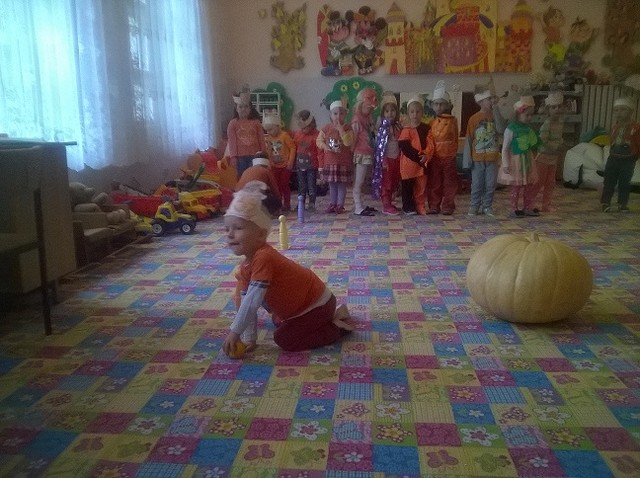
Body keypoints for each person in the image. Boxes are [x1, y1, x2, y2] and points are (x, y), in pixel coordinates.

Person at [222, 181, 354, 356]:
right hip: (301, 308)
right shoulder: (246, 267)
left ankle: (336, 327)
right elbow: (247, 303)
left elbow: (252, 301)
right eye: (227, 229)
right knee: (278, 321)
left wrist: (235, 332)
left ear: (261, 234)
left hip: (317, 305)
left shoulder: (264, 257)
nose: (230, 234)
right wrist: (249, 338)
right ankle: (322, 320)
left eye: (238, 228)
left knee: (284, 339)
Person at [463, 84, 506, 217]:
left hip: (492, 158)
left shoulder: (495, 115)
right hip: (477, 159)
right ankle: (474, 206)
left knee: (490, 184)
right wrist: (467, 161)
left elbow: (501, 129)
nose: (492, 101)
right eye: (489, 99)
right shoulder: (473, 119)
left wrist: (496, 108)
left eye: (493, 98)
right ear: (481, 101)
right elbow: (469, 140)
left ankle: (487, 206)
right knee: (477, 184)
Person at [499, 95, 541, 217]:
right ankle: (514, 208)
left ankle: (528, 206)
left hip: (527, 160)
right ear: (518, 114)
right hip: (516, 161)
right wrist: (506, 164)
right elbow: (505, 148)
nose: (530, 118)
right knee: (516, 186)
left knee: (529, 185)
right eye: (527, 115)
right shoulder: (511, 129)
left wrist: (536, 154)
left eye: (531, 115)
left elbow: (534, 144)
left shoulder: (529, 129)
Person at [600, 97, 640, 213]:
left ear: (630, 112)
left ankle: (622, 203)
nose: (619, 113)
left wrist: (635, 156)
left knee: (624, 182)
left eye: (623, 109)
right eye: (616, 110)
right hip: (613, 158)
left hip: (628, 160)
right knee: (609, 181)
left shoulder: (636, 127)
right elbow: (611, 141)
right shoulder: (614, 128)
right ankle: (605, 203)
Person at [426, 81, 460, 215]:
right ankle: (434, 205)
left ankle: (448, 206)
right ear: (432, 105)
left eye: (442, 104)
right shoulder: (432, 122)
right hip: (435, 157)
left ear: (447, 105)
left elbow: (455, 139)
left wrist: (452, 154)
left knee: (449, 183)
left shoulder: (453, 121)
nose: (439, 106)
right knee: (435, 182)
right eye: (436, 104)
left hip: (449, 157)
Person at [316, 99, 354, 214]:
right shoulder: (326, 128)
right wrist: (324, 146)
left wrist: (341, 130)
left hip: (343, 162)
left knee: (341, 185)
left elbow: (348, 142)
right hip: (330, 162)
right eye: (335, 113)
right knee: (332, 184)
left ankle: (340, 205)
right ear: (331, 115)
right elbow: (318, 140)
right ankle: (332, 203)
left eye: (341, 113)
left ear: (345, 115)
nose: (338, 116)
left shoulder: (348, 128)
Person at [399, 96, 434, 215]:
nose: (415, 114)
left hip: (422, 164)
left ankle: (420, 205)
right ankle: (407, 206)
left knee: (421, 187)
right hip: (408, 165)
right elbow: (404, 146)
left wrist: (426, 155)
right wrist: (417, 157)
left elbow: (430, 144)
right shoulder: (406, 129)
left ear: (422, 113)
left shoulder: (426, 128)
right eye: (412, 112)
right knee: (407, 187)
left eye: (418, 111)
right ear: (408, 113)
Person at [531, 91, 566, 212]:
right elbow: (543, 140)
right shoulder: (547, 124)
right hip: (543, 157)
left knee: (551, 182)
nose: (557, 109)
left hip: (553, 157)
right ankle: (529, 202)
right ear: (548, 110)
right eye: (553, 107)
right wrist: (555, 146)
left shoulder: (560, 123)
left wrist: (561, 143)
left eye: (559, 107)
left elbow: (559, 137)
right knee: (539, 181)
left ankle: (546, 205)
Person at [226, 85, 266, 180]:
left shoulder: (256, 122)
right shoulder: (233, 123)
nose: (243, 109)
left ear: (250, 108)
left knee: (254, 176)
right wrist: (233, 157)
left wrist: (263, 153)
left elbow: (261, 139)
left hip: (255, 155)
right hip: (240, 157)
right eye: (240, 107)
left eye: (246, 107)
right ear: (236, 108)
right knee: (242, 177)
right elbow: (232, 142)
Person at [373, 92, 403, 215]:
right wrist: (383, 160)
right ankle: (386, 205)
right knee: (387, 182)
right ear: (383, 113)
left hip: (396, 159)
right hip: (387, 159)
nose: (390, 113)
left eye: (392, 110)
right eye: (387, 111)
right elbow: (380, 147)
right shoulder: (383, 127)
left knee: (394, 181)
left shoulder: (398, 126)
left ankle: (389, 202)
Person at [350, 88, 379, 216]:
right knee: (359, 181)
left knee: (365, 181)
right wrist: (352, 153)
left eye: (371, 108)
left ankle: (361, 204)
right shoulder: (357, 119)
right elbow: (354, 138)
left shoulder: (368, 118)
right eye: (368, 107)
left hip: (368, 153)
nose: (370, 109)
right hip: (361, 154)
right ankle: (358, 207)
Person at [263, 113, 296, 212]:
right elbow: (268, 151)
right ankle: (278, 204)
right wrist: (270, 162)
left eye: (270, 129)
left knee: (284, 184)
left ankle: (287, 204)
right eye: (267, 130)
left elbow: (293, 148)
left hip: (285, 166)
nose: (269, 132)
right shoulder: (268, 138)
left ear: (278, 126)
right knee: (276, 186)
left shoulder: (284, 136)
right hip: (274, 166)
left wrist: (290, 162)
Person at [292, 110, 320, 212]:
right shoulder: (298, 134)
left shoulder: (317, 135)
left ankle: (312, 204)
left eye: (305, 128)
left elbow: (320, 151)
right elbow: (294, 148)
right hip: (300, 165)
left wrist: (320, 166)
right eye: (301, 128)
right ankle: (301, 203)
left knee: (311, 186)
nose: (303, 130)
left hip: (312, 166)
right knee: (301, 186)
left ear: (311, 125)